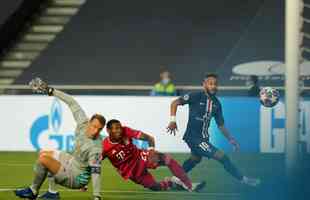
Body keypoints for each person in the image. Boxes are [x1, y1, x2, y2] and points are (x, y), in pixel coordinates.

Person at [14, 78, 105, 200]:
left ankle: (33, 191)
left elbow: (96, 172)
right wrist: (50, 91)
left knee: (44, 160)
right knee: (44, 152)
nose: (96, 131)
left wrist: (97, 196)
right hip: (73, 162)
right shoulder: (82, 123)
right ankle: (52, 193)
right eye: (94, 126)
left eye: (99, 129)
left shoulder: (96, 147)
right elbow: (71, 102)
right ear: (89, 123)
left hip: (77, 177)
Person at [167, 73, 260, 187]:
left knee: (195, 159)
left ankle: (173, 180)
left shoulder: (217, 104)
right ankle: (244, 180)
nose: (213, 86)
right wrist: (172, 120)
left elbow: (220, 125)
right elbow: (175, 103)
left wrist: (231, 139)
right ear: (204, 85)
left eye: (215, 84)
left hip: (203, 138)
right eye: (210, 84)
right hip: (194, 138)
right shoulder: (196, 96)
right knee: (223, 157)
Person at [102, 119, 205, 192]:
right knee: (156, 187)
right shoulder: (105, 147)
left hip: (140, 157)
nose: (119, 130)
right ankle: (173, 182)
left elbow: (149, 138)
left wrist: (151, 151)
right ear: (108, 130)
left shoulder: (126, 131)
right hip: (131, 171)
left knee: (167, 159)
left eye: (119, 127)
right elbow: (95, 161)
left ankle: (190, 186)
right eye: (115, 128)